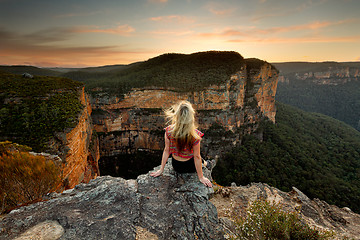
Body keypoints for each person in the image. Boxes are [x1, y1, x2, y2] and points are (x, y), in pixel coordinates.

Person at [150, 100, 212, 188]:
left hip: (176, 165)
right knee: (198, 154)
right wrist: (201, 177)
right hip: (190, 166)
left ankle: (206, 163)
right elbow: (197, 157)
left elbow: (166, 151)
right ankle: (207, 164)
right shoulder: (195, 135)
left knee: (196, 154)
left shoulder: (168, 131)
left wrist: (161, 170)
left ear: (177, 115)